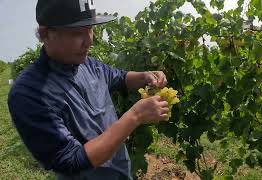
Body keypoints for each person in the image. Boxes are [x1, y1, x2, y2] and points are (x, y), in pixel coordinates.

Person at [7, 0, 170, 179]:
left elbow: (119, 77)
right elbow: (71, 160)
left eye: (90, 29)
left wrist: (144, 76)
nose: (89, 41)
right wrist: (135, 116)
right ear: (45, 34)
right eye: (77, 33)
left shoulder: (89, 65)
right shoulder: (29, 92)